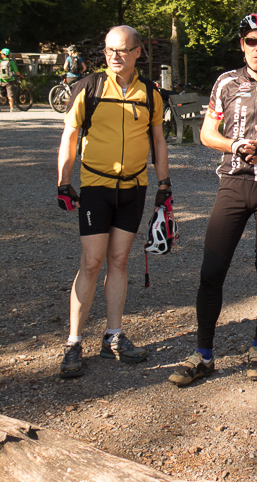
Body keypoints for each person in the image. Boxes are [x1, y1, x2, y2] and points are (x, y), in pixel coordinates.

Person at [169, 11, 257, 387]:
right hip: (233, 182)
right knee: (212, 270)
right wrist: (235, 144)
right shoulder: (226, 82)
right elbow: (206, 133)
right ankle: (203, 354)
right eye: (252, 41)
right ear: (242, 44)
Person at [56, 25, 170, 378]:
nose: (115, 56)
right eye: (109, 50)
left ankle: (113, 336)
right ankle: (74, 342)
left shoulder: (150, 93)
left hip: (134, 188)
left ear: (138, 53)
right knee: (91, 263)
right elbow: (70, 136)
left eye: (122, 50)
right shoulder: (88, 87)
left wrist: (164, 183)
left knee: (119, 260)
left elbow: (158, 139)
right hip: (96, 188)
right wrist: (63, 181)